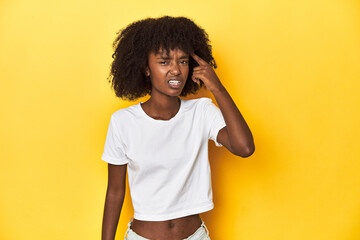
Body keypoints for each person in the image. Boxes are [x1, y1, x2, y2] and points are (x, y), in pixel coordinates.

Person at [101, 16, 255, 240]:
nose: (175, 70)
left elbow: (245, 147)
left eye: (183, 61)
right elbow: (115, 192)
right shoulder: (123, 121)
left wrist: (217, 87)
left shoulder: (201, 112)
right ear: (146, 68)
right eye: (164, 62)